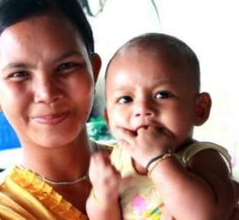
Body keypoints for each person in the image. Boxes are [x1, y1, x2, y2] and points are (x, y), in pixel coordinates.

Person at [0, 0, 104, 219]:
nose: (47, 93)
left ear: (93, 70)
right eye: (20, 74)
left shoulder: (146, 165)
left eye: (66, 66)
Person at [86, 33, 239, 220]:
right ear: (109, 120)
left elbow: (206, 214)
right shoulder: (118, 160)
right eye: (126, 99)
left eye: (162, 95)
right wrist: (102, 196)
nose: (142, 109)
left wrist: (158, 160)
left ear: (199, 109)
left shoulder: (201, 157)